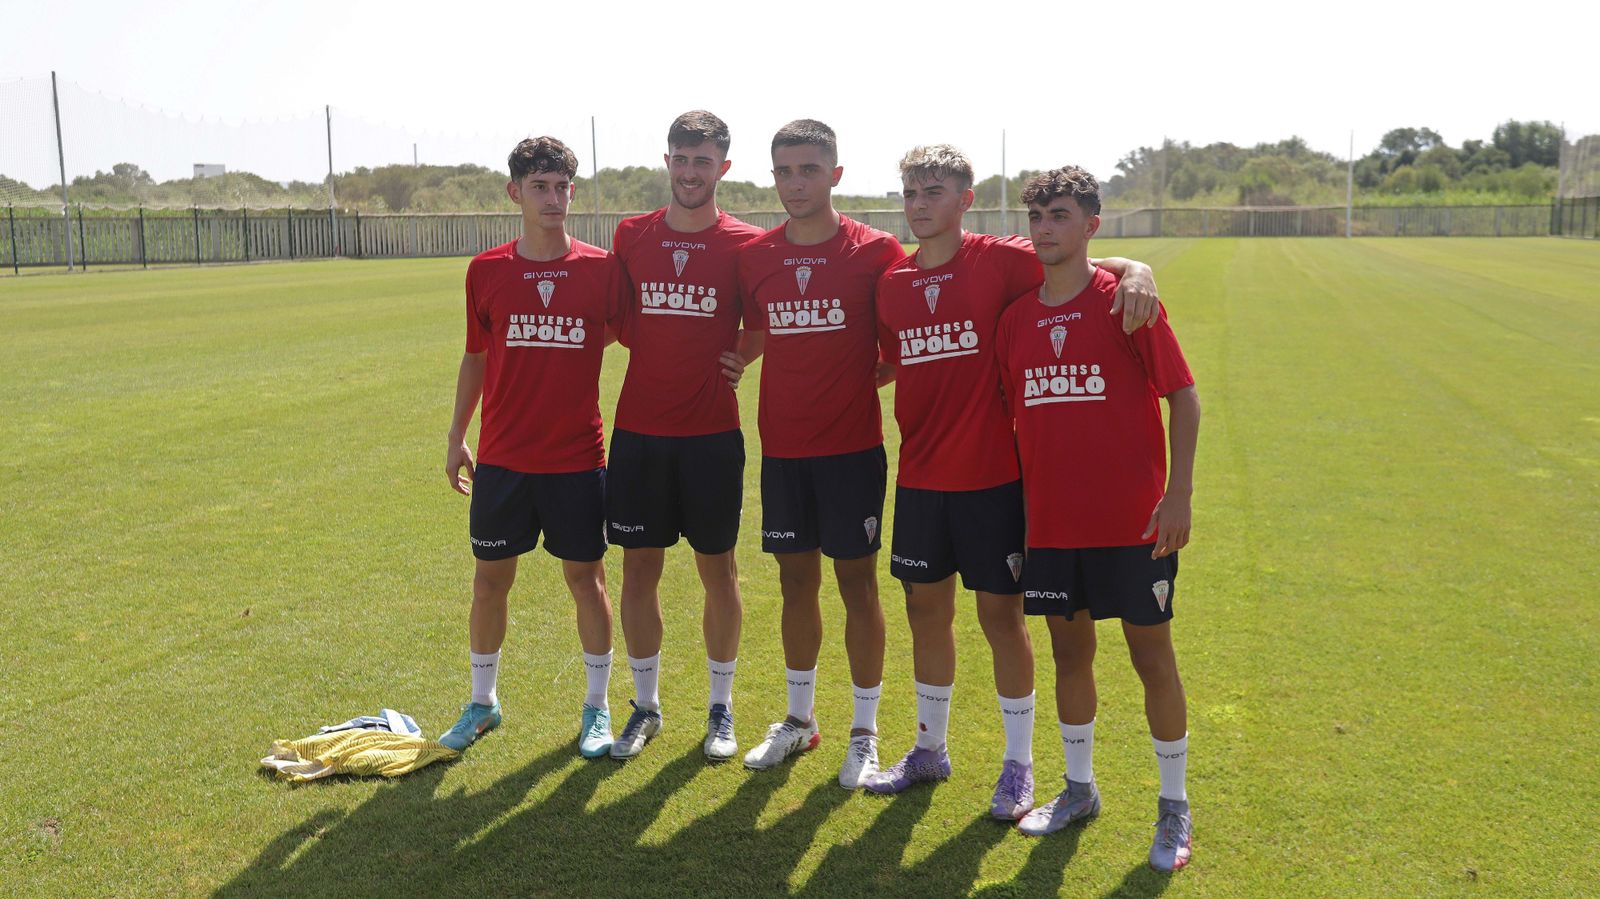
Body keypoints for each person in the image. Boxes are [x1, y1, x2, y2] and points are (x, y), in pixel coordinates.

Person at [868, 145, 1163, 822]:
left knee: (1000, 618)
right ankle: (929, 748)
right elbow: (890, 362)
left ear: (965, 199)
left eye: (933, 190)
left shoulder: (1000, 259)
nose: (918, 203)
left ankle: (1018, 765)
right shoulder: (892, 284)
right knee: (925, 612)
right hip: (919, 476)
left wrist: (1138, 266)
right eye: (910, 190)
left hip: (994, 479)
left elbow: (1085, 266)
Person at [996, 167, 1198, 873]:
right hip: (1052, 526)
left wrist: (1179, 494)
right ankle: (1079, 788)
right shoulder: (1016, 319)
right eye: (1038, 217)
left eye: (1060, 215)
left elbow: (1185, 397)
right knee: (1069, 655)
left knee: (1152, 660)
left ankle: (1174, 805)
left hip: (1134, 524)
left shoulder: (1128, 303)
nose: (1046, 228)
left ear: (1091, 226)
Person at [440, 136, 626, 759]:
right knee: (490, 582)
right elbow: (474, 358)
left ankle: (597, 708)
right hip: (502, 459)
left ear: (574, 191)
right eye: (539, 186)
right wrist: (456, 434)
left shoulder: (601, 270)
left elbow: (648, 340)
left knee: (587, 579)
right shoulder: (486, 271)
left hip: (576, 459)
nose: (553, 198)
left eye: (562, 186)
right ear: (514, 192)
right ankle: (482, 703)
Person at [734, 120, 906, 787]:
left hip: (852, 450)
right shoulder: (756, 256)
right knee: (793, 580)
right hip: (782, 450)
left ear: (835, 175)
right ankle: (800, 721)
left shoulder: (876, 250)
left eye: (808, 170)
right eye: (784, 171)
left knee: (858, 585)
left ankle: (864, 731)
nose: (795, 183)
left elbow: (896, 346)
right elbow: (753, 329)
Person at [606, 110, 764, 761]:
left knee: (718, 569)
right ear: (667, 162)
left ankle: (721, 708)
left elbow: (763, 317)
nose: (691, 171)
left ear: (722, 167)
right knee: (638, 568)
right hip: (639, 430)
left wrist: (743, 354)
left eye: (703, 160)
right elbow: (619, 318)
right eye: (681, 158)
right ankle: (645, 705)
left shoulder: (746, 243)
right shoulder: (631, 235)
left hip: (709, 436)